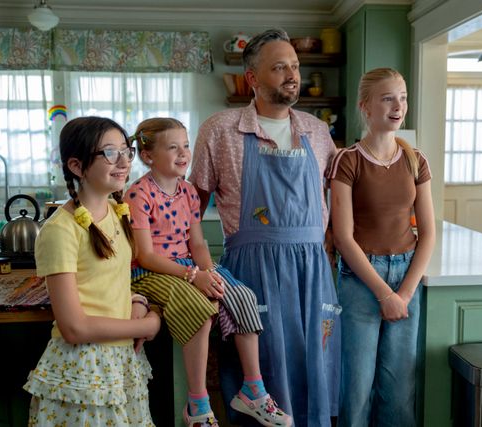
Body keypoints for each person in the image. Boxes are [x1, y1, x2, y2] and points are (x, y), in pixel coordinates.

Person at [189, 28, 341, 426]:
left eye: (295, 66)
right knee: (261, 375)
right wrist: (195, 270)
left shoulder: (317, 132)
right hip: (252, 272)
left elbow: (340, 199)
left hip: (313, 273)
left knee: (314, 367)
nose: (292, 75)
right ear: (252, 78)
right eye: (279, 68)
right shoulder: (220, 130)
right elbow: (189, 210)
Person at [124, 117, 292, 427]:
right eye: (172, 148)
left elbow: (198, 243)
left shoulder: (189, 193)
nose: (183, 153)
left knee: (242, 295)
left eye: (185, 146)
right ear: (148, 156)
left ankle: (253, 390)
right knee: (200, 309)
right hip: (151, 272)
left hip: (188, 265)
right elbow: (145, 256)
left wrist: (208, 272)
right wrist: (193, 277)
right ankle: (198, 405)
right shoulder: (138, 194)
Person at [24, 116, 161, 426]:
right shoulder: (60, 230)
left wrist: (137, 301)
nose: (124, 161)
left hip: (120, 362)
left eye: (126, 150)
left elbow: (104, 281)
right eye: (110, 153)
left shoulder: (116, 212)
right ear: (77, 166)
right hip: (85, 368)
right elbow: (73, 327)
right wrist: (147, 325)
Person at [328, 68, 436, 426]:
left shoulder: (416, 160)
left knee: (400, 389)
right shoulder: (348, 160)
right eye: (387, 98)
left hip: (407, 277)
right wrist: (384, 294)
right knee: (357, 388)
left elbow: (428, 234)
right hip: (360, 281)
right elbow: (343, 238)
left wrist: (403, 294)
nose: (398, 106)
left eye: (402, 98)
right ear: (366, 107)